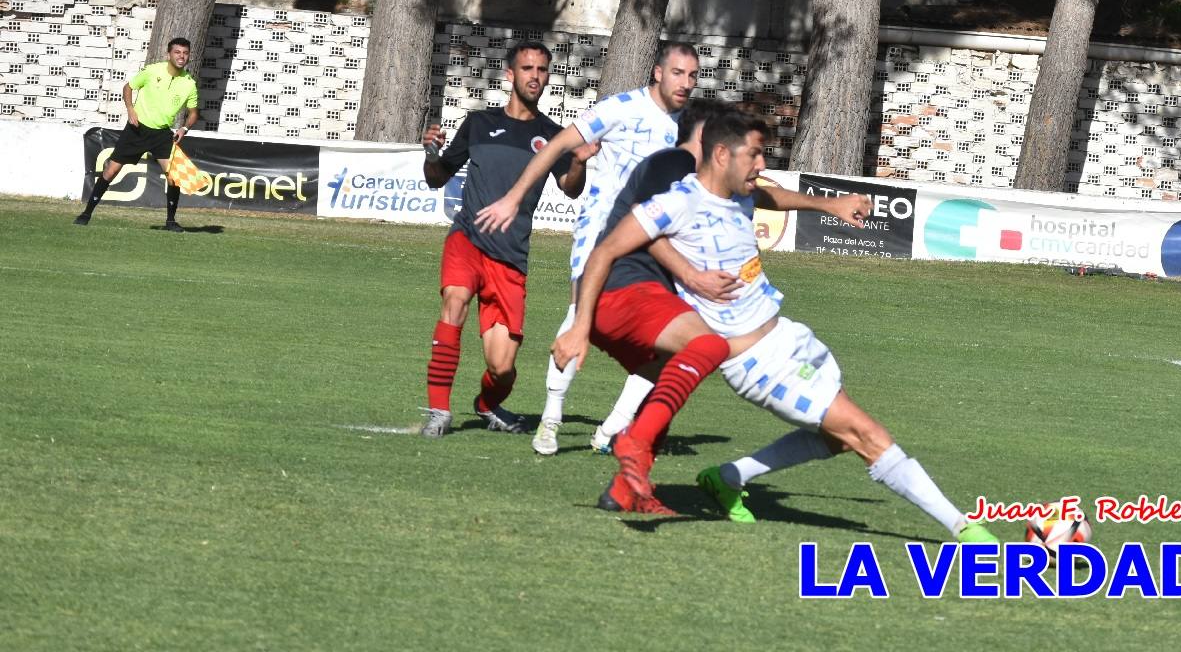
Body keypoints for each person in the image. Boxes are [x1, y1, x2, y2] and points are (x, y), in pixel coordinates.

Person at [554, 108, 998, 542]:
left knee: (835, 439)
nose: (762, 165)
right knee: (867, 435)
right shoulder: (676, 203)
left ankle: (729, 477)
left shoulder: (738, 195)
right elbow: (604, 251)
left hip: (787, 337)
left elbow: (767, 195)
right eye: (754, 155)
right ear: (723, 155)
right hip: (755, 364)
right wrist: (579, 327)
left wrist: (829, 204)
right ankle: (966, 530)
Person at [473, 42, 700, 457]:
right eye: (678, 73)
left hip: (656, 240)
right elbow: (558, 145)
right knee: (581, 315)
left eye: (692, 76)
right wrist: (514, 197)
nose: (685, 84)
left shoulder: (689, 127)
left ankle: (613, 428)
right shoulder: (621, 108)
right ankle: (551, 419)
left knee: (663, 340)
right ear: (657, 72)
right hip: (602, 231)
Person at [419, 41, 595, 438]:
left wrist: (579, 161)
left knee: (502, 368)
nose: (536, 76)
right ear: (510, 75)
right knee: (455, 302)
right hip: (467, 238)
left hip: (510, 257)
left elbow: (571, 188)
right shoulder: (479, 124)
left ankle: (486, 405)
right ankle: (439, 411)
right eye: (528, 68)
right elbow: (437, 177)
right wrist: (431, 155)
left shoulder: (553, 135)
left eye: (542, 69)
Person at [75, 37, 200, 231]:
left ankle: (170, 222)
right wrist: (130, 109)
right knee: (111, 171)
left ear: (189, 55)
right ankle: (86, 213)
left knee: (173, 177)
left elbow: (193, 113)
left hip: (161, 135)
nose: (181, 56)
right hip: (137, 130)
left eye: (185, 53)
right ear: (169, 54)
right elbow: (128, 87)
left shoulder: (189, 83)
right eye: (177, 52)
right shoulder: (152, 71)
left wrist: (184, 128)